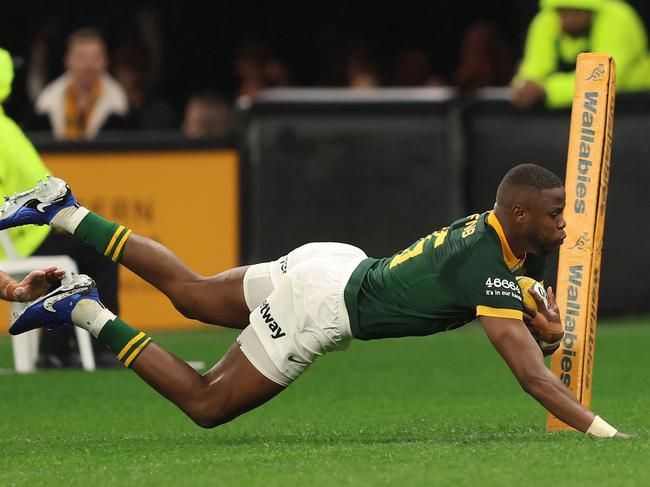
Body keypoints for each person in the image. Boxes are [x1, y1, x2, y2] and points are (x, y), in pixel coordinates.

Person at [0, 164, 629, 438]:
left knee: (191, 293)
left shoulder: (513, 235)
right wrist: (603, 432)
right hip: (323, 305)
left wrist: (543, 324)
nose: (566, 224)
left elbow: (528, 322)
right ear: (519, 214)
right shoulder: (486, 262)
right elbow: (532, 378)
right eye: (555, 214)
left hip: (334, 262)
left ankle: (64, 210)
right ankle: (83, 308)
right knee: (208, 403)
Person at [0, 46, 120, 367]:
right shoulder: (4, 130)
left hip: (25, 235)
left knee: (80, 250)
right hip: (22, 239)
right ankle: (101, 348)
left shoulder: (6, 127)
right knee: (100, 248)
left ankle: (56, 350)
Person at [512, 0, 650, 109]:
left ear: (591, 10)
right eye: (562, 11)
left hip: (633, 108)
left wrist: (548, 90)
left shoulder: (617, 18)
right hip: (574, 114)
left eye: (575, 12)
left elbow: (602, 80)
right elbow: (534, 68)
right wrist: (524, 86)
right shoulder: (548, 19)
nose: (567, 19)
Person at [32, 27, 128, 139]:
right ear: (67, 60)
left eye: (95, 57)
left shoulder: (121, 109)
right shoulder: (45, 105)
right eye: (81, 57)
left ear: (106, 61)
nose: (89, 65)